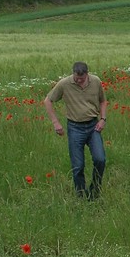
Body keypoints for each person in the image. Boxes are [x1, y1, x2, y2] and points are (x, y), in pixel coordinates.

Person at [43, 61, 108, 200]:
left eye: (82, 79)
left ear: (87, 74)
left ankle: (94, 191)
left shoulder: (95, 81)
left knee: (100, 159)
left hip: (93, 126)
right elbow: (48, 101)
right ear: (73, 73)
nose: (79, 81)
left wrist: (103, 119)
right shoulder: (65, 83)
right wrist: (56, 123)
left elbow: (103, 101)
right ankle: (81, 195)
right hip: (75, 127)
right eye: (76, 78)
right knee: (78, 165)